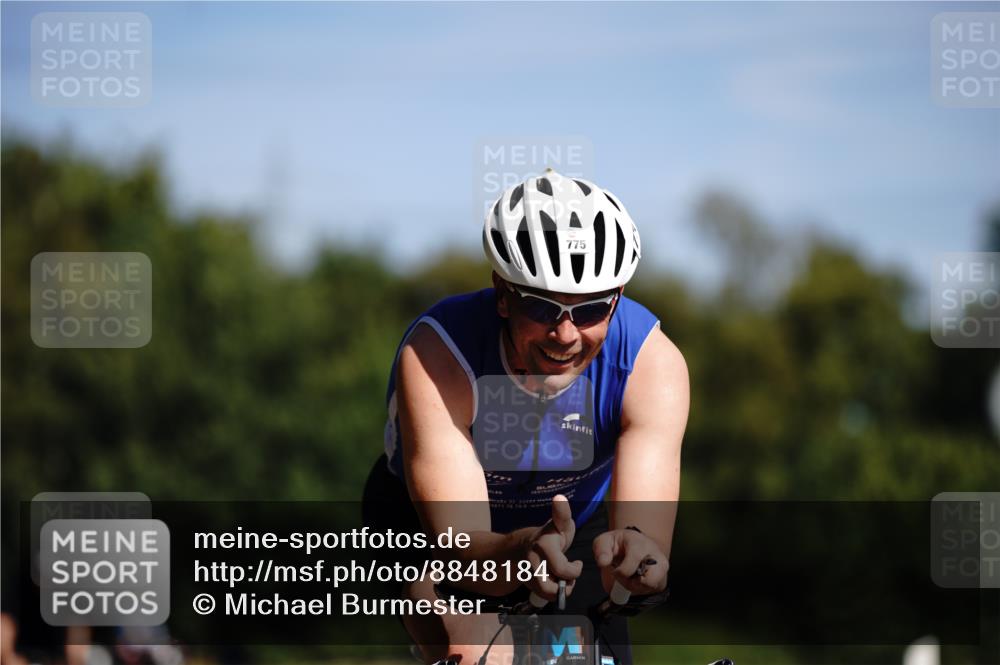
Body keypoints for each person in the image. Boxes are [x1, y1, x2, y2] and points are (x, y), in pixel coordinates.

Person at [362, 169, 689, 664]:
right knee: (476, 653)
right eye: (541, 307)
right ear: (502, 291)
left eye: (590, 310)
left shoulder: (651, 363)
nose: (565, 335)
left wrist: (638, 557)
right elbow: (463, 550)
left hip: (574, 522)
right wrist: (521, 552)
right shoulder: (438, 355)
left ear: (617, 298)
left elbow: (644, 541)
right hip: (437, 530)